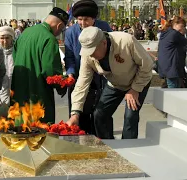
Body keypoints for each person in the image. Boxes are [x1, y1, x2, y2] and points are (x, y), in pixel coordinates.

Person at [66, 27, 153, 139]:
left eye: (92, 51)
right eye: (87, 51)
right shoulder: (87, 55)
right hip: (114, 83)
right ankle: (108, 145)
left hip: (138, 81)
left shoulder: (126, 41)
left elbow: (147, 65)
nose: (90, 55)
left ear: (104, 43)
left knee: (130, 116)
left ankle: (128, 148)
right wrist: (75, 114)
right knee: (99, 114)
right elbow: (82, 83)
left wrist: (135, 89)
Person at [11, 7, 68, 124]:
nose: (59, 33)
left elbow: (15, 56)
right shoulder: (49, 38)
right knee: (40, 132)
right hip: (39, 92)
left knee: (20, 129)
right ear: (59, 25)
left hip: (19, 90)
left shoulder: (25, 33)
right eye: (61, 30)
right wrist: (61, 86)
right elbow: (50, 71)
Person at [64, 0, 112, 134]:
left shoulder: (104, 27)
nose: (83, 23)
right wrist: (71, 73)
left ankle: (103, 141)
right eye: (80, 19)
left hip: (100, 77)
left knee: (101, 114)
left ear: (94, 18)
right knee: (79, 113)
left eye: (86, 19)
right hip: (80, 77)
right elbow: (69, 56)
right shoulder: (70, 32)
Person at [158, 17, 187, 88]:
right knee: (173, 91)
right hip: (172, 69)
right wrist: (182, 33)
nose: (183, 28)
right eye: (182, 26)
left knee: (171, 89)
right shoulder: (175, 34)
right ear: (175, 24)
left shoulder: (166, 33)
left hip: (166, 67)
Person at [0, 26, 15, 107]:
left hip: (15, 88)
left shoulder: (17, 52)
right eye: (2, 38)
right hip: (0, 90)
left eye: (7, 38)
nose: (5, 41)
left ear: (12, 39)